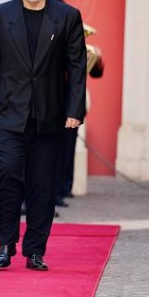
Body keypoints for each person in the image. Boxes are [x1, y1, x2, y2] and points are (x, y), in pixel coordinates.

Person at [0, 0, 86, 271]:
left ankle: (35, 250)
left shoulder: (67, 16)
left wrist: (74, 110)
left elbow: (77, 67)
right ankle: (5, 242)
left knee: (43, 186)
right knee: (7, 176)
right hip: (9, 115)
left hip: (50, 117)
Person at [56, 24, 104, 206]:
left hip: (74, 106)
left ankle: (65, 188)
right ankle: (55, 191)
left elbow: (96, 74)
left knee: (68, 150)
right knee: (57, 152)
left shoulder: (85, 52)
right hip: (58, 105)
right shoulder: (60, 51)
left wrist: (97, 60)